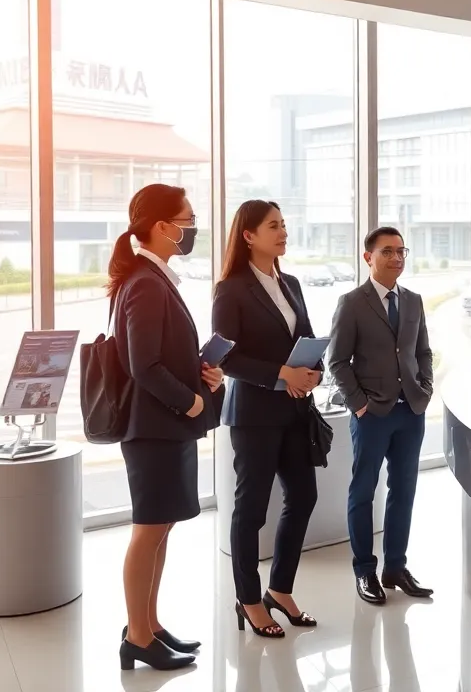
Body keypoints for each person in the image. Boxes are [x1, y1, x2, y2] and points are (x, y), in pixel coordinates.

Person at [111, 183, 224, 672]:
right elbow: (144, 365)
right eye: (187, 219)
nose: (192, 228)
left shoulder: (155, 278)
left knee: (161, 530)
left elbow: (161, 356)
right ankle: (137, 635)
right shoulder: (143, 283)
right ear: (161, 227)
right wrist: (193, 402)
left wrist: (201, 369)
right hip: (154, 427)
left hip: (167, 426)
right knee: (148, 531)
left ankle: (150, 625)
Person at [212, 200, 322, 639]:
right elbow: (227, 356)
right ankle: (249, 597)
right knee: (251, 510)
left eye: (284, 225)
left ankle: (280, 588)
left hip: (295, 409)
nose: (283, 233)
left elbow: (308, 337)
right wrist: (281, 372)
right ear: (249, 235)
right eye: (273, 226)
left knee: (304, 496)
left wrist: (312, 371)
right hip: (254, 415)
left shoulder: (290, 282)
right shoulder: (231, 289)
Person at [328, 227, 435, 605]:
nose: (396, 258)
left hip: (411, 410)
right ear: (367, 257)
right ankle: (364, 572)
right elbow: (336, 362)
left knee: (404, 490)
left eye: (401, 251)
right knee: (363, 491)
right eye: (387, 251)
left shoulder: (413, 300)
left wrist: (425, 386)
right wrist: (358, 404)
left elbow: (423, 351)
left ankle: (395, 567)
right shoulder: (352, 302)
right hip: (372, 413)